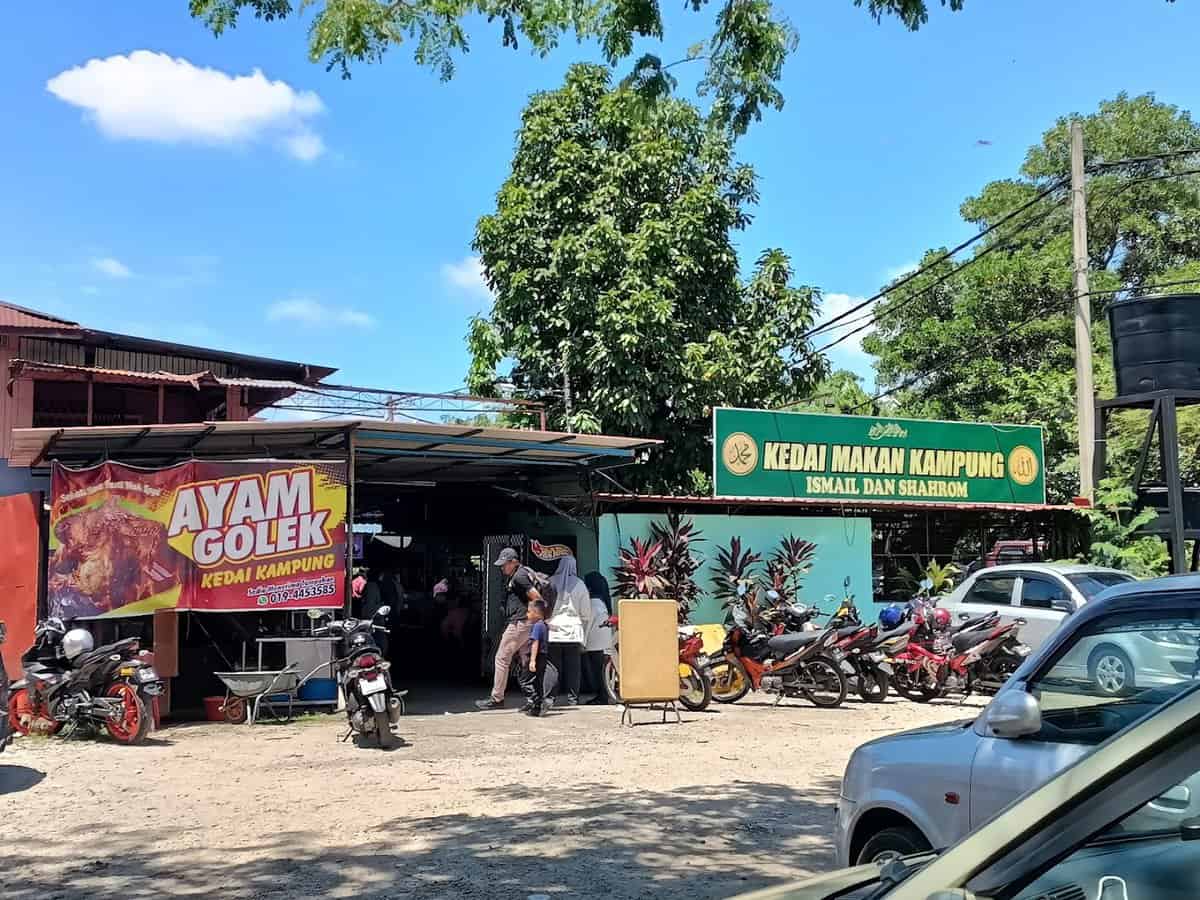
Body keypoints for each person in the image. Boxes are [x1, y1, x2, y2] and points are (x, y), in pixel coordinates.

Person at [476, 548, 544, 710]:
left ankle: (497, 698)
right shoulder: (519, 574)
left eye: (504, 564)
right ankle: (533, 699)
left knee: (501, 658)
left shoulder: (520, 576)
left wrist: (533, 618)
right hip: (523, 622)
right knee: (524, 661)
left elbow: (537, 597)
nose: (502, 568)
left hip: (519, 623)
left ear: (514, 562)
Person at [546, 555, 589, 706]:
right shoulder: (580, 585)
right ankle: (573, 699)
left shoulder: (550, 582)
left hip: (554, 631)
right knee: (573, 668)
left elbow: (544, 606)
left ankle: (550, 697)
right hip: (572, 633)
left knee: (553, 667)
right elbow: (586, 613)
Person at [582, 571, 614, 703]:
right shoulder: (602, 602)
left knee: (598, 672)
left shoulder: (592, 602)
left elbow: (587, 624)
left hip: (594, 643)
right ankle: (604, 695)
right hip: (604, 642)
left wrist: (582, 641)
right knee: (602, 671)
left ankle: (602, 697)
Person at [519, 600, 549, 716]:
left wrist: (532, 660)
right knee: (537, 682)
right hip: (543, 656)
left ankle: (537, 700)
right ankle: (537, 708)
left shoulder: (537, 626)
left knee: (524, 680)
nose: (527, 614)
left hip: (536, 657)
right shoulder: (544, 625)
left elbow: (535, 642)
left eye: (529, 612)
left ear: (536, 613)